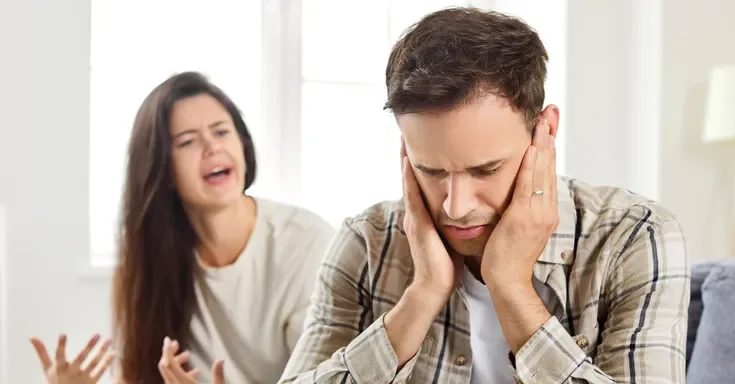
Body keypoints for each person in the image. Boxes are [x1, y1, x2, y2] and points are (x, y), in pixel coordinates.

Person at [280, 7, 689, 384]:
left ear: (544, 131)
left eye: (486, 170)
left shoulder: (635, 236)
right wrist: (420, 297)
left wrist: (510, 286)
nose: (455, 207)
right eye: (431, 170)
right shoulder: (366, 240)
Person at [32, 71, 335, 384]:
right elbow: (136, 376)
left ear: (242, 145)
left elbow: (331, 378)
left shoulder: (309, 243)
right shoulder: (146, 259)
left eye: (221, 131)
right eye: (188, 141)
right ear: (162, 169)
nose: (211, 147)